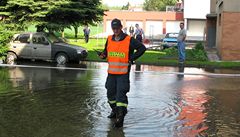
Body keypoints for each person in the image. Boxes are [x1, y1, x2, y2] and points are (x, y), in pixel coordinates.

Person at [98, 18, 146, 128]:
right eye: (113, 28)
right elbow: (106, 52)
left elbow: (142, 48)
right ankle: (115, 111)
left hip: (123, 73)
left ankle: (120, 119)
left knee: (120, 96)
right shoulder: (109, 39)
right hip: (111, 73)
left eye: (117, 28)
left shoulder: (129, 39)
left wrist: (131, 58)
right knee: (110, 95)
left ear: (121, 27)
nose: (115, 30)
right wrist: (103, 55)